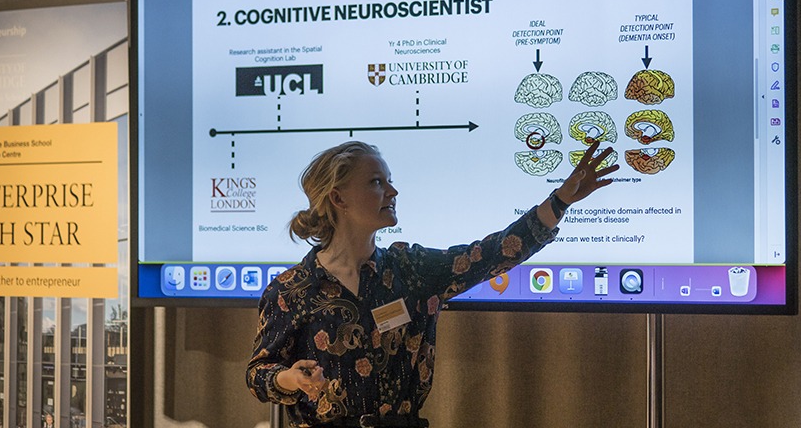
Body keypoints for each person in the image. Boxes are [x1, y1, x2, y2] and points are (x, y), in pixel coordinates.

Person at [246, 140, 618, 427]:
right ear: (338, 197)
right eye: (377, 182)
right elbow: (257, 374)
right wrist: (288, 378)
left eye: (390, 182)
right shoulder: (292, 289)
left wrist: (561, 201)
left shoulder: (411, 270)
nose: (392, 192)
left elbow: (492, 253)